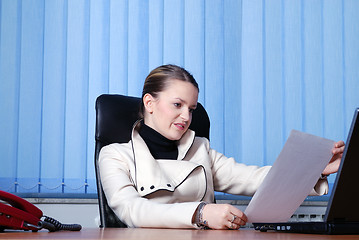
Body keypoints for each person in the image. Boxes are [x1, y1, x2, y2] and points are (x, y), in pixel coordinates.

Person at [99, 64, 345, 230]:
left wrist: (315, 168)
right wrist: (201, 213)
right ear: (150, 103)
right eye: (177, 105)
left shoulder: (199, 149)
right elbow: (132, 209)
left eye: (192, 109)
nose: (186, 116)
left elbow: (255, 179)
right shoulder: (114, 155)